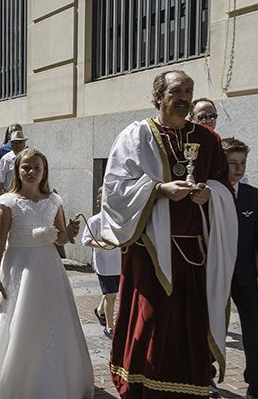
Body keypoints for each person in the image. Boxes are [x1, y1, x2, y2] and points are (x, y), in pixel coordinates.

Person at [102, 70, 237, 397]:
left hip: (195, 254)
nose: (184, 97)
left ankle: (190, 388)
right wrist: (159, 189)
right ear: (159, 95)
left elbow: (222, 184)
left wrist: (210, 194)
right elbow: (114, 191)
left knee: (190, 326)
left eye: (188, 91)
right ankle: (143, 387)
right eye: (177, 91)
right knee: (152, 324)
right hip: (151, 254)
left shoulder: (206, 139)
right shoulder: (136, 136)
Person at [0, 148, 92, 398]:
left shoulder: (54, 201)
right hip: (17, 265)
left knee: (51, 319)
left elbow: (61, 238)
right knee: (12, 320)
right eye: (26, 167)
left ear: (44, 171)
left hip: (48, 267)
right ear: (17, 170)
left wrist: (70, 232)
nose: (31, 172)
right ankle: (9, 379)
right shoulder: (7, 202)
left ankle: (50, 379)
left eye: (36, 168)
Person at [204, 138, 258, 399]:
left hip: (245, 275)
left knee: (254, 331)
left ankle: (257, 386)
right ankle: (206, 378)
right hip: (213, 275)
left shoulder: (250, 195)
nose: (238, 169)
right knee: (211, 326)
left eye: (243, 163)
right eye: (232, 163)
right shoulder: (207, 193)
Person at [81, 187, 122, 338]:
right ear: (99, 201)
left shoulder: (120, 219)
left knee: (111, 292)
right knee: (111, 295)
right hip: (104, 264)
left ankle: (100, 310)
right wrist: (101, 245)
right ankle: (109, 327)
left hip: (119, 262)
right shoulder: (95, 221)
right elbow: (85, 240)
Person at [0, 128, 28, 194]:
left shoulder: (29, 157)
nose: (17, 145)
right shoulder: (5, 159)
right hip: (10, 194)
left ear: (24, 143)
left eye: (20, 142)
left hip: (27, 194)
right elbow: (0, 180)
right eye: (14, 142)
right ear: (11, 144)